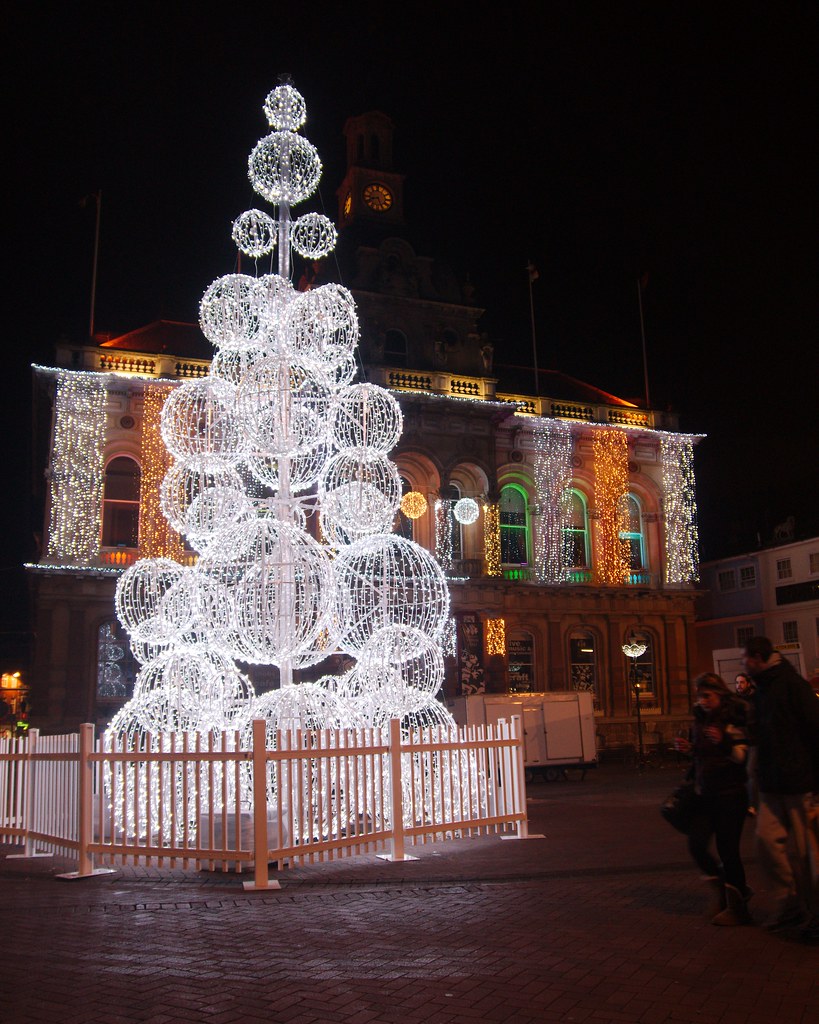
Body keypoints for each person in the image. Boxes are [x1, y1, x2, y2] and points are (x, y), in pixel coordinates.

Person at [742, 636, 819, 943]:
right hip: (772, 783)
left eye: (746, 657)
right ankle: (790, 904)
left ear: (759, 657)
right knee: (766, 841)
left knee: (807, 854)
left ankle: (813, 913)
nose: (743, 663)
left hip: (799, 783)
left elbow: (815, 730)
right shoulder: (761, 688)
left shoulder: (792, 686)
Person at [674, 672, 752, 926]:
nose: (703, 701)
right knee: (696, 843)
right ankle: (722, 890)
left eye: (707, 695)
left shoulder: (733, 718)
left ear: (719, 693)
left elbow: (741, 757)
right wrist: (690, 749)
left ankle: (738, 907)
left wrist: (724, 743)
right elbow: (702, 755)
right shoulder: (700, 719)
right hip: (706, 793)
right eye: (699, 696)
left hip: (730, 794)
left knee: (728, 851)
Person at [734, 672, 759, 816]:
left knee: (750, 772)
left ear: (748, 683)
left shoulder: (754, 699)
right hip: (740, 741)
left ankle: (752, 805)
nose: (739, 686)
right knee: (742, 773)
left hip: (753, 740)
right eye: (737, 683)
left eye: (742, 682)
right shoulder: (736, 700)